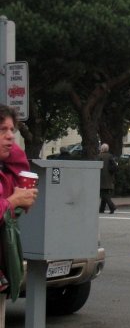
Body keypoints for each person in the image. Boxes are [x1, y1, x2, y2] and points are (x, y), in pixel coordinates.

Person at [0, 104, 37, 322]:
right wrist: (13, 202)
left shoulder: (5, 166)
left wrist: (21, 201)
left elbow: (19, 161)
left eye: (12, 130)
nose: (10, 136)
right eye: (2, 130)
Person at [97, 143, 117, 214]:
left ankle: (112, 206)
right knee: (104, 193)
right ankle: (101, 209)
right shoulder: (110, 156)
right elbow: (115, 166)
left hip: (101, 177)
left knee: (103, 194)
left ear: (102, 149)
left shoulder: (99, 156)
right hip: (109, 177)